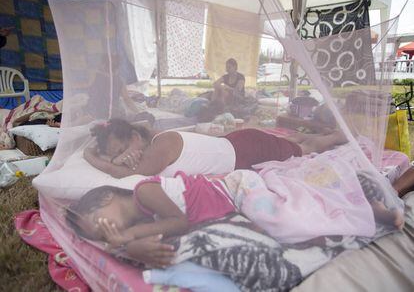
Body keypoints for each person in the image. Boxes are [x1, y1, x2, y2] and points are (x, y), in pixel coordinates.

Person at [66, 169, 403, 266]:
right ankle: (356, 206)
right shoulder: (140, 220)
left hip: (238, 189)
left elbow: (179, 223)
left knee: (284, 222)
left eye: (96, 221)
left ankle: (366, 208)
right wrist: (128, 243)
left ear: (108, 197)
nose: (101, 232)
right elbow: (156, 238)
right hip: (236, 204)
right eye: (96, 234)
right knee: (286, 219)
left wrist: (125, 239)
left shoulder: (144, 192)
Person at [83, 118, 348, 178]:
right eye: (116, 154)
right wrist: (118, 155)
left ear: (134, 136)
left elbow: (128, 175)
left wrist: (91, 157)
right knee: (292, 144)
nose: (123, 156)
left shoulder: (159, 146)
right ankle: (311, 135)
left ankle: (336, 135)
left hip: (249, 149)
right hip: (239, 143)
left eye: (123, 148)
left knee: (308, 148)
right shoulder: (151, 140)